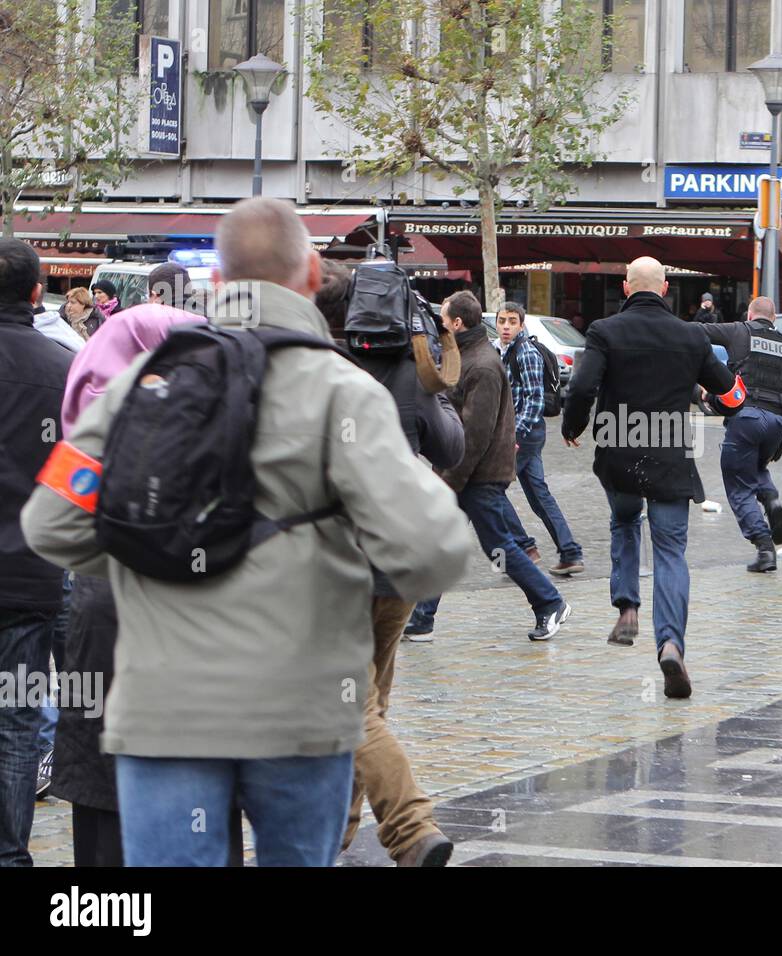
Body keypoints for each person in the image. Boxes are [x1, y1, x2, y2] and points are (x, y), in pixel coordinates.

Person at [21, 197, 476, 867]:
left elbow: (52, 520)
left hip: (163, 713)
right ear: (313, 275)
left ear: (220, 283)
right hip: (302, 712)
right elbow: (435, 548)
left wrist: (146, 553)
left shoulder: (140, 383)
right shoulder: (341, 393)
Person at [314, 260, 466, 866]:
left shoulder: (314, 370)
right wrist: (436, 390)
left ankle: (407, 827)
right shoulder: (410, 371)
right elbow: (450, 447)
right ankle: (340, 832)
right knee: (369, 693)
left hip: (336, 562)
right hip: (397, 562)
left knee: (352, 704)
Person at [47, 303, 203, 867]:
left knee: (101, 768)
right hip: (193, 615)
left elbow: (59, 514)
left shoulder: (88, 430)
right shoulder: (212, 423)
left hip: (104, 604)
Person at [561, 256, 737, 698]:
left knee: (624, 522)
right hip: (670, 458)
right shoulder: (691, 334)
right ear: (664, 289)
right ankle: (671, 644)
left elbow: (581, 388)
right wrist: (737, 400)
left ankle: (626, 609)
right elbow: (725, 389)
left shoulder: (604, 331)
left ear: (625, 288)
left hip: (619, 453)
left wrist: (573, 426)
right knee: (671, 550)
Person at [423, 291, 573, 642]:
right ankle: (420, 618)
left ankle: (550, 601)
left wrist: (450, 478)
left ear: (457, 323)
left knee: (499, 546)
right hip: (467, 473)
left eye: (444, 320)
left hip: (479, 474)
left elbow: (475, 433)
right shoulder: (466, 356)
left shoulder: (482, 364)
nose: (441, 326)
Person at [0, 238, 74, 867]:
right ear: (34, 295)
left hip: (29, 576)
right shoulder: (62, 369)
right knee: (16, 721)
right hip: (29, 571)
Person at [702, 296, 782, 572]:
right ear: (774, 317)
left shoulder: (739, 330)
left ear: (750, 314)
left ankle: (764, 547)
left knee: (739, 485)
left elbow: (699, 331)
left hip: (746, 417)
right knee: (755, 467)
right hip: (777, 420)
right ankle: (770, 497)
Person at [495, 302, 584, 576]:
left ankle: (524, 548)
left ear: (521, 325)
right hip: (523, 434)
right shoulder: (504, 351)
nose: (506, 326)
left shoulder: (526, 352)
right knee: (538, 494)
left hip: (524, 433)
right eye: (502, 321)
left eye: (512, 321)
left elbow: (534, 399)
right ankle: (570, 552)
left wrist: (515, 436)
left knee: (490, 491)